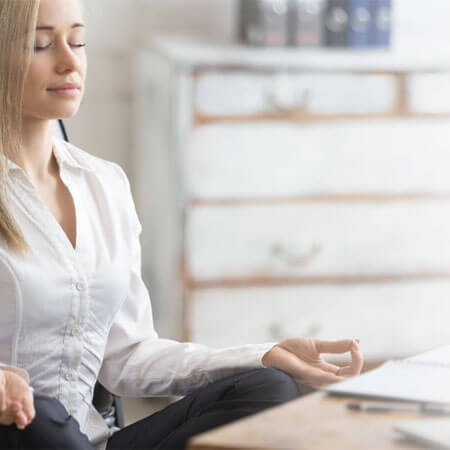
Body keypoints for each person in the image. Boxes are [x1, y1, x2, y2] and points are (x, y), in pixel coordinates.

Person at [0, 0, 364, 449]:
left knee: (268, 389)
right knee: (40, 418)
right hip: (25, 435)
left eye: (77, 41)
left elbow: (128, 356)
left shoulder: (105, 185)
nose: (69, 60)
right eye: (41, 43)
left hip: (93, 441)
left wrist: (265, 356)